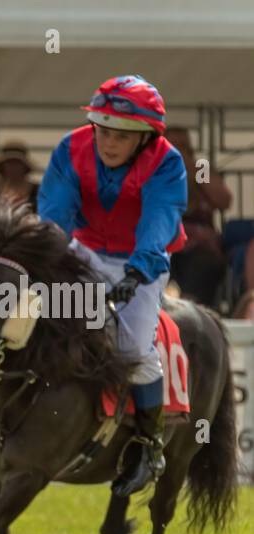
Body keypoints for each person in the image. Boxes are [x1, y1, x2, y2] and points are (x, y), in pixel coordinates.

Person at [38, 74, 188, 498]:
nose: (108, 143)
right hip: (83, 250)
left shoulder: (168, 161)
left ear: (145, 137)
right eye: (103, 130)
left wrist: (137, 273)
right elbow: (55, 211)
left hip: (141, 260)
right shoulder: (71, 147)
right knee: (44, 320)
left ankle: (148, 446)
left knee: (133, 349)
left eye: (121, 135)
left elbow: (158, 222)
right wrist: (51, 256)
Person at [165, 127, 232, 308]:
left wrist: (192, 171)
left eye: (184, 146)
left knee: (204, 264)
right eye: (173, 146)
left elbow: (223, 200)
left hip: (199, 243)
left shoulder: (200, 168)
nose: (178, 151)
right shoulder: (156, 170)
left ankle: (194, 309)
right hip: (165, 240)